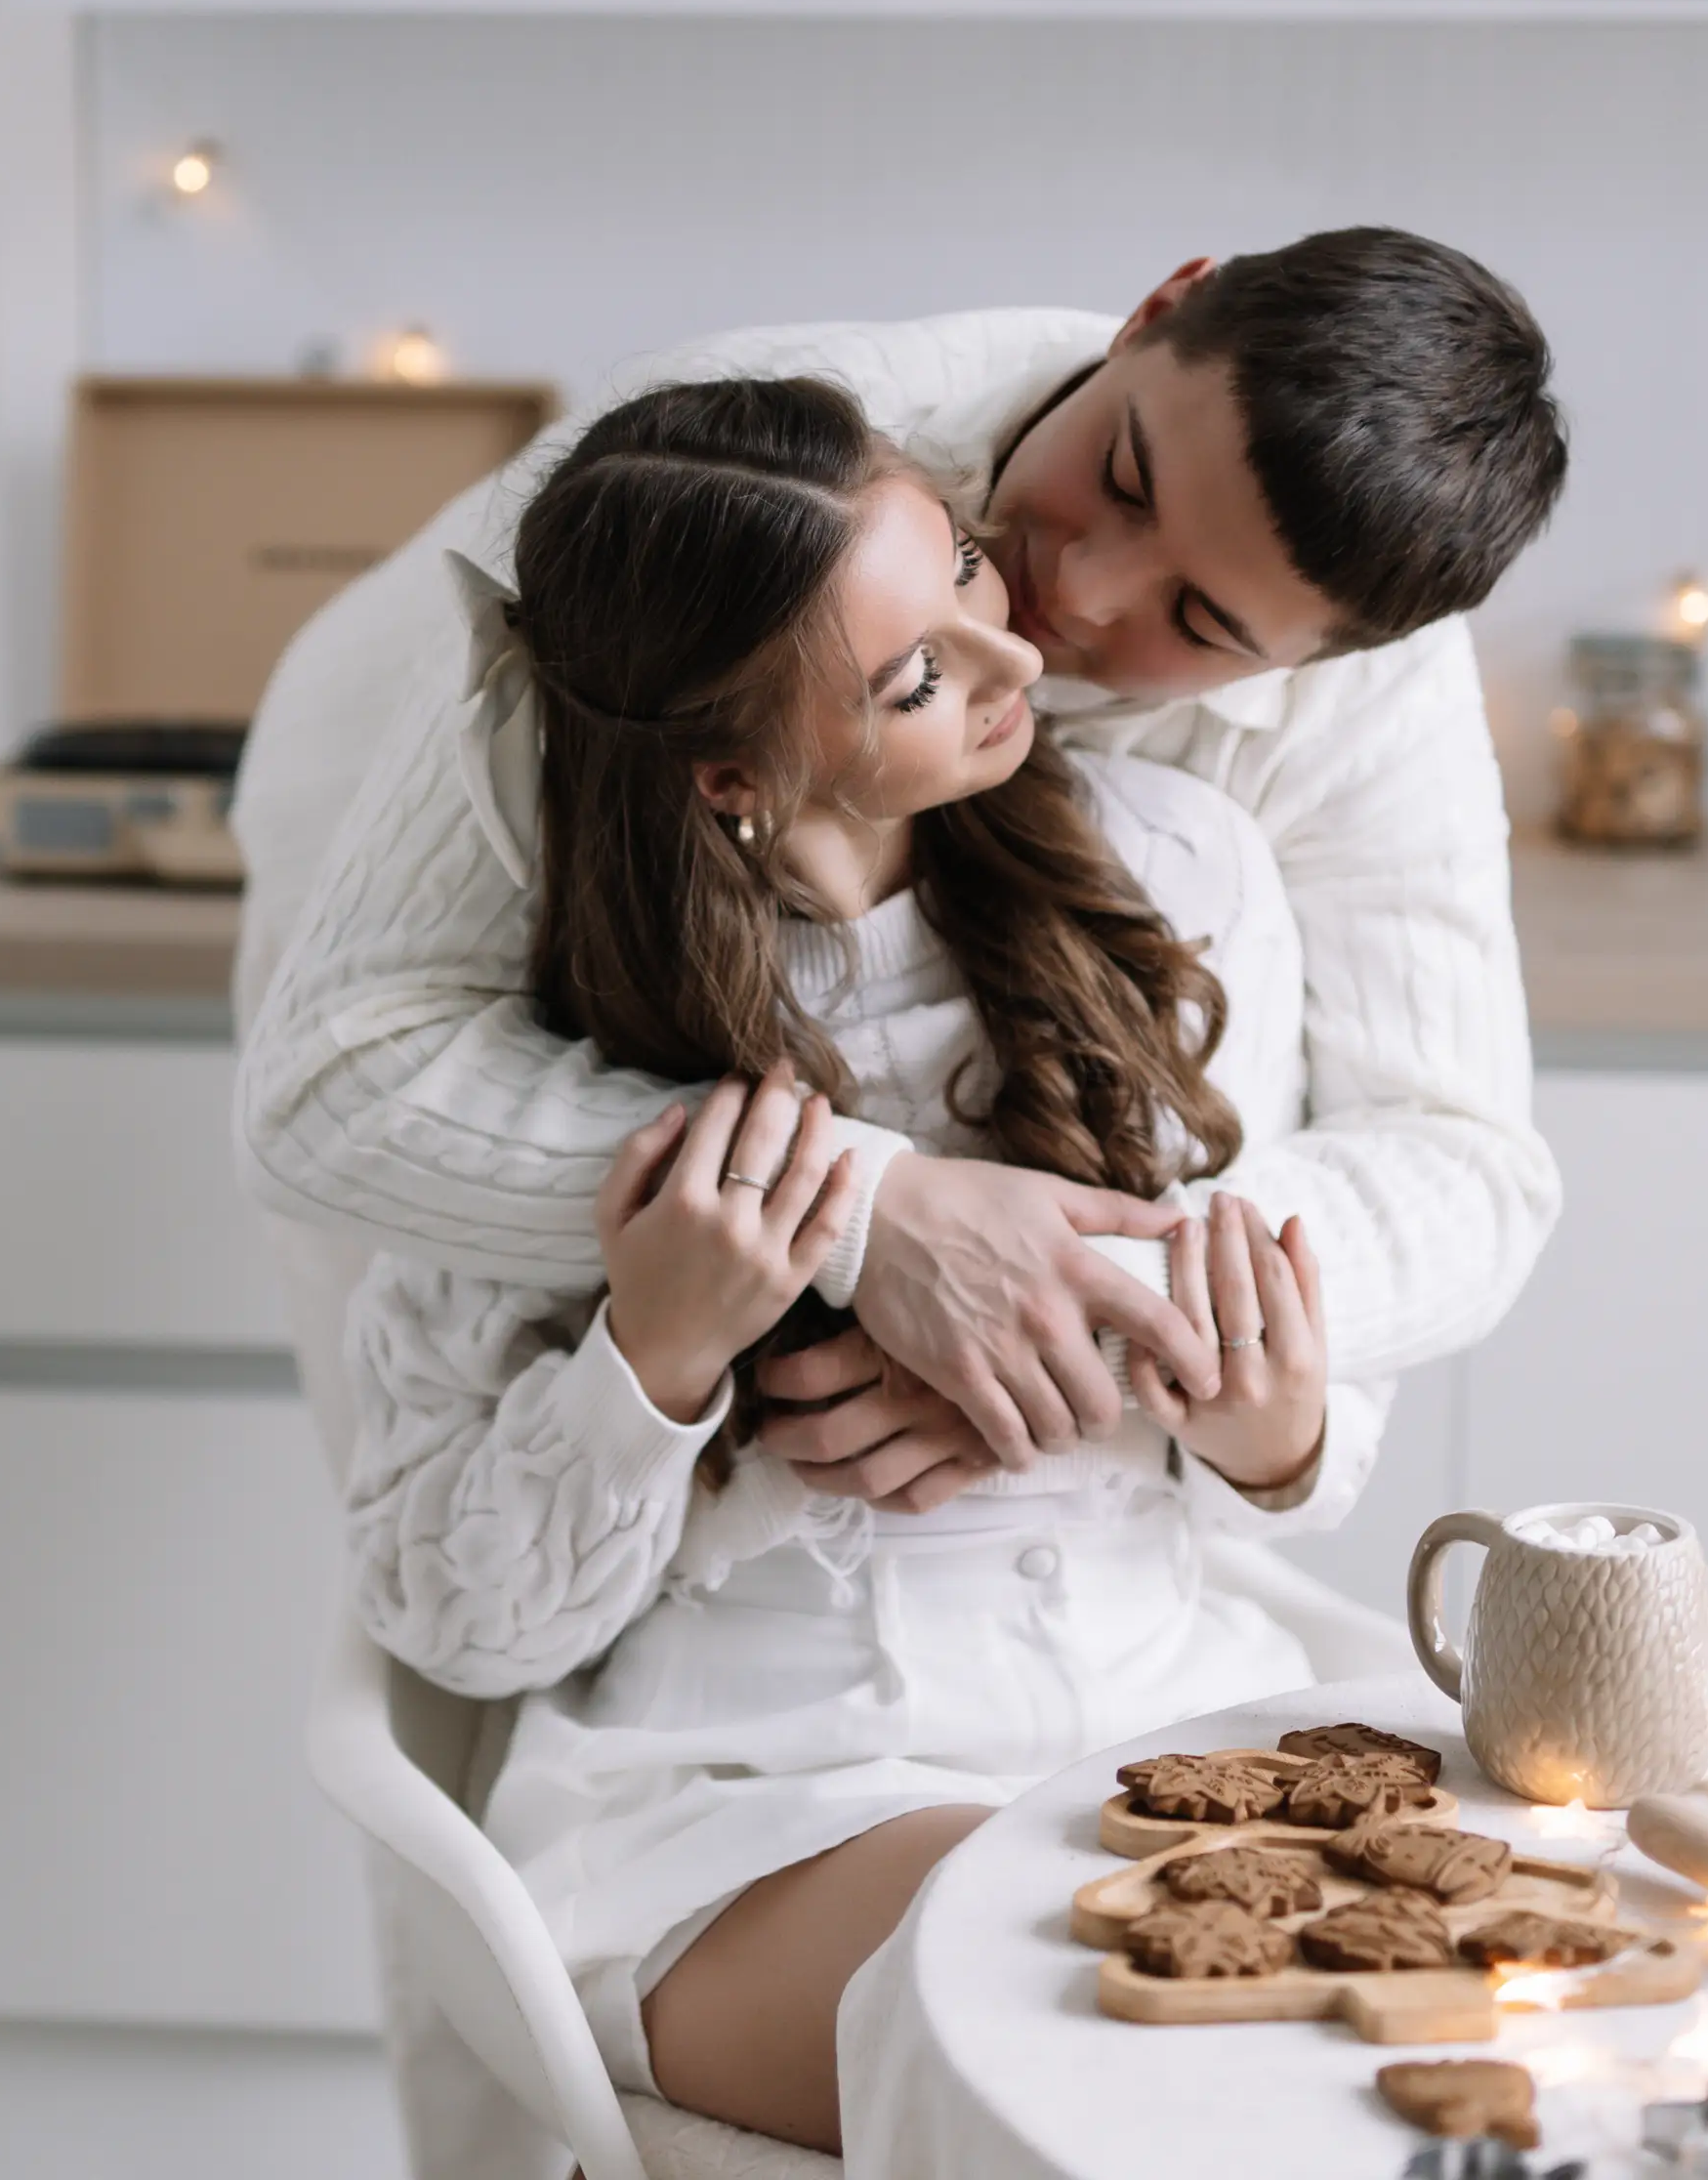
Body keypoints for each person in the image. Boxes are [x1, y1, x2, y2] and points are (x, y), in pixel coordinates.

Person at [338, 376, 1376, 2151]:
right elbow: (455, 1624)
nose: (1021, 655)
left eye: (966, 565)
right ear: (731, 774)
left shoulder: (1176, 878)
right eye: (917, 677)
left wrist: (1274, 1434)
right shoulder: (548, 1061)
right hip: (760, 1805)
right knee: (1090, 2014)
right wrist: (654, 1363)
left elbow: (1284, 1431)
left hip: (1171, 1723)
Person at [241, 229, 1572, 1503]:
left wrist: (1059, 1324)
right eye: (1124, 477)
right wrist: (865, 1219)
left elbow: (1462, 1174)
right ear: (1159, 308)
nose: (1082, 592)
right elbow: (332, 1091)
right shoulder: (745, 469)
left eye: (1202, 620)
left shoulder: (1376, 690)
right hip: (373, 830)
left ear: (1321, 659)